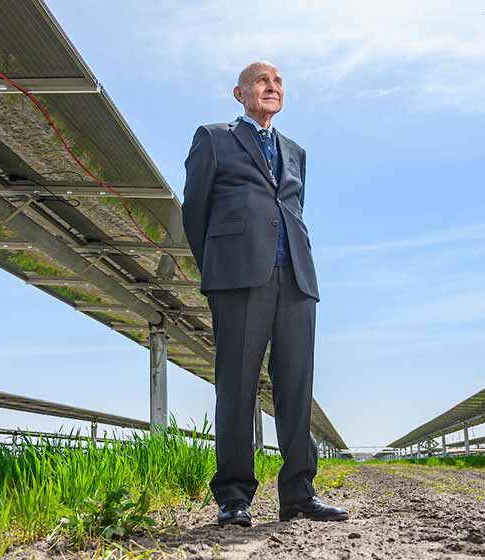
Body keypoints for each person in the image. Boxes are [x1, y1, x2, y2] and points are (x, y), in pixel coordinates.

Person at [181, 61, 348, 527]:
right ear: (240, 93)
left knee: (296, 387)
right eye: (261, 81)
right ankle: (234, 497)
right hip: (238, 279)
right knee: (237, 385)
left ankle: (299, 493)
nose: (271, 88)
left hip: (295, 278)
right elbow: (194, 211)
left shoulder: (295, 152)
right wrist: (219, 269)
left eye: (278, 82)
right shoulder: (213, 138)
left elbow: (291, 210)